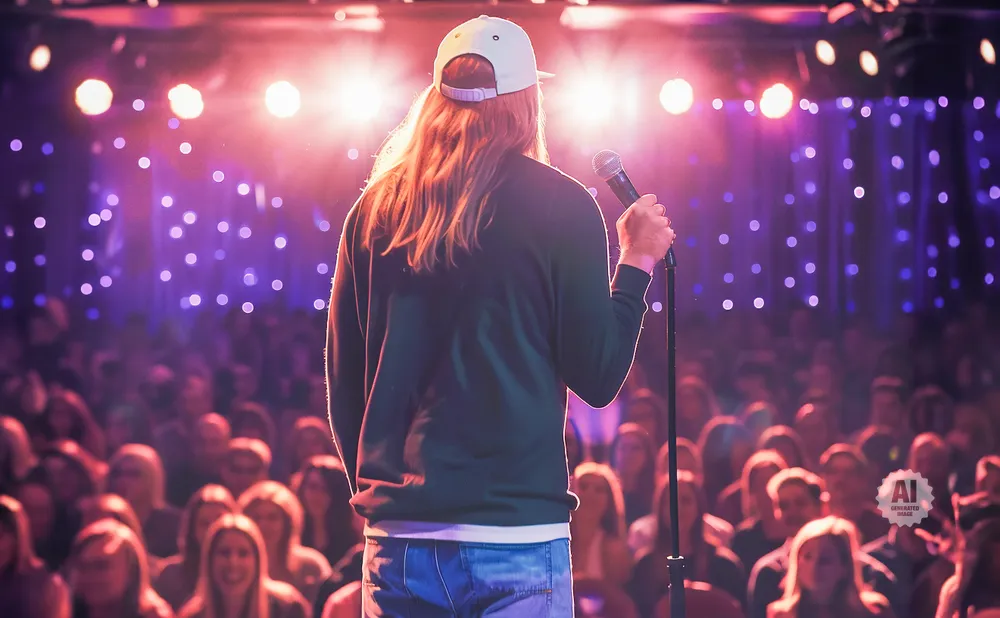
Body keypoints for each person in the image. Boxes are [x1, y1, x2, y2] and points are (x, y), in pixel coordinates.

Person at [325, 14, 675, 617]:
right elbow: (597, 378)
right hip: (515, 538)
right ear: (524, 103)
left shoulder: (377, 207)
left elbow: (344, 380)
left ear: (435, 97)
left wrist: (384, 496)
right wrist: (638, 260)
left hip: (400, 538)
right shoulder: (561, 205)